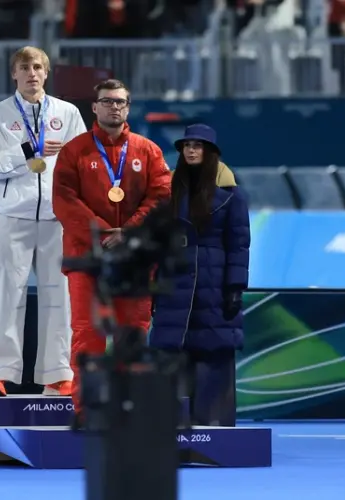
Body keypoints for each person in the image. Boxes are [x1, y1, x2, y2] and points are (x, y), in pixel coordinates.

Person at [52, 78, 171, 418]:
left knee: (132, 334)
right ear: (94, 107)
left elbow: (162, 196)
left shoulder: (148, 151)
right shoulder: (75, 151)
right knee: (87, 335)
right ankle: (85, 411)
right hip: (86, 256)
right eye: (106, 101)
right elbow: (63, 199)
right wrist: (103, 233)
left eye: (119, 102)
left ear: (128, 107)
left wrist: (130, 232)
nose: (113, 107)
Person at [0, 46, 86, 396]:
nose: (32, 73)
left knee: (60, 296)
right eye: (25, 67)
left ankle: (58, 374)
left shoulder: (67, 114)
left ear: (47, 73)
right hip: (10, 216)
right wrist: (26, 152)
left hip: (57, 218)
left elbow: (82, 164)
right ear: (14, 74)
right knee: (3, 295)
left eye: (38, 67)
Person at [148, 124, 250, 427]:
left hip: (213, 285)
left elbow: (239, 244)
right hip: (175, 283)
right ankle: (170, 427)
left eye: (198, 145)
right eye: (187, 145)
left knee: (213, 353)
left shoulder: (232, 197)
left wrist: (235, 287)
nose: (191, 150)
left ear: (211, 153)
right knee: (172, 353)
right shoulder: (169, 192)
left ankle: (213, 425)